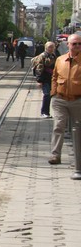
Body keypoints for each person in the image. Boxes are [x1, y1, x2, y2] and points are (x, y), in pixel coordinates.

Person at [48, 34, 81, 167]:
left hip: (78, 100)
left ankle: (78, 160)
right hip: (60, 99)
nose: (77, 46)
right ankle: (55, 155)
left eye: (80, 43)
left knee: (78, 129)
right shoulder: (60, 60)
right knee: (58, 127)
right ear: (68, 45)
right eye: (74, 44)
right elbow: (54, 77)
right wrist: (53, 93)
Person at [34, 41, 57, 118]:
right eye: (50, 47)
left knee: (50, 95)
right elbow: (39, 68)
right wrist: (39, 80)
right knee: (47, 95)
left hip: (52, 78)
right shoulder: (43, 55)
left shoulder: (53, 55)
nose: (51, 48)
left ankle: (47, 112)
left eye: (53, 47)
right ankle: (44, 112)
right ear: (46, 47)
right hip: (45, 78)